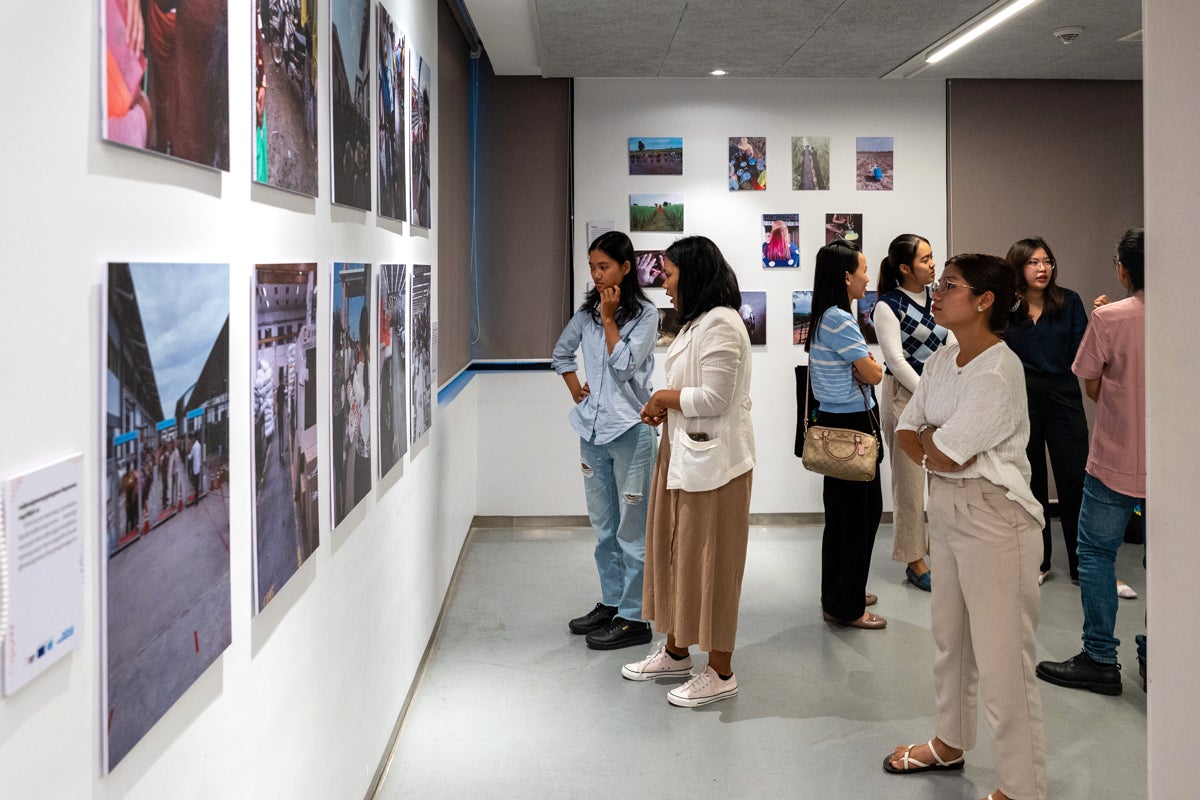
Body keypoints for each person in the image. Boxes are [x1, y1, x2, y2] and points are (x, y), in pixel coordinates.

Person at [886, 253, 1046, 800]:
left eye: (949, 284)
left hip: (997, 521)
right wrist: (938, 442)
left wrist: (937, 441)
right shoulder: (941, 360)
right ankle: (950, 741)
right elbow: (909, 433)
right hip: (949, 511)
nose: (937, 289)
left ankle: (1022, 787)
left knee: (1005, 662)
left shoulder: (1000, 369)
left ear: (984, 302)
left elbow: (946, 451)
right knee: (949, 641)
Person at [621, 236, 754, 707]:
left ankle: (720, 671)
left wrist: (663, 399)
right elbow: (693, 389)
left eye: (670, 274)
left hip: (715, 468)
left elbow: (715, 399)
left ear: (693, 275)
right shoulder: (698, 322)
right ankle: (677, 651)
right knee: (678, 554)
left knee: (713, 564)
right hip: (685, 456)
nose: (664, 284)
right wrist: (667, 405)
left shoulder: (721, 324)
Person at [1036, 227, 1146, 697]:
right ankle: (1160, 652)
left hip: (1116, 457)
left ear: (1123, 268)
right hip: (1178, 466)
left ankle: (1101, 659)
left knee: (1097, 554)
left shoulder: (1109, 318)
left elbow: (1092, 386)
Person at [551, 231, 658, 650]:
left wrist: (611, 319)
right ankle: (613, 603)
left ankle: (635, 618)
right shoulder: (586, 314)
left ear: (626, 268)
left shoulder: (646, 316)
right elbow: (561, 353)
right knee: (603, 528)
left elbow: (626, 365)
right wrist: (576, 387)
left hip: (631, 430)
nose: (596, 275)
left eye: (604, 267)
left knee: (633, 531)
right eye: (592, 267)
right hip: (591, 431)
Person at [806, 239, 885, 629]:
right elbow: (872, 374)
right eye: (864, 270)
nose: (867, 278)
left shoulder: (825, 315)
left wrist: (867, 363)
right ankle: (847, 606)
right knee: (858, 519)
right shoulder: (839, 318)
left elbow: (864, 367)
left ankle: (841, 591)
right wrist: (873, 365)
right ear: (846, 276)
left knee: (843, 518)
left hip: (838, 425)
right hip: (853, 426)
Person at [1003, 237, 1089, 585]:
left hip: (1063, 395)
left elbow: (1083, 351)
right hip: (1022, 400)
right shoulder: (1007, 307)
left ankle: (1083, 564)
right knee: (1030, 480)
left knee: (1075, 480)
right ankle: (1039, 562)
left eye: (1047, 261)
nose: (1042, 268)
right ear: (1018, 267)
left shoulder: (1068, 301)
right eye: (1034, 262)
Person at [872, 234, 949, 591]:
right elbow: (896, 360)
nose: (933, 264)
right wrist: (927, 393)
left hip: (940, 393)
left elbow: (952, 341)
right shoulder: (888, 305)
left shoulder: (940, 297)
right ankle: (914, 560)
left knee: (942, 477)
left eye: (933, 257)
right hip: (904, 395)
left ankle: (943, 552)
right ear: (905, 268)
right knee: (909, 481)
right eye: (925, 259)